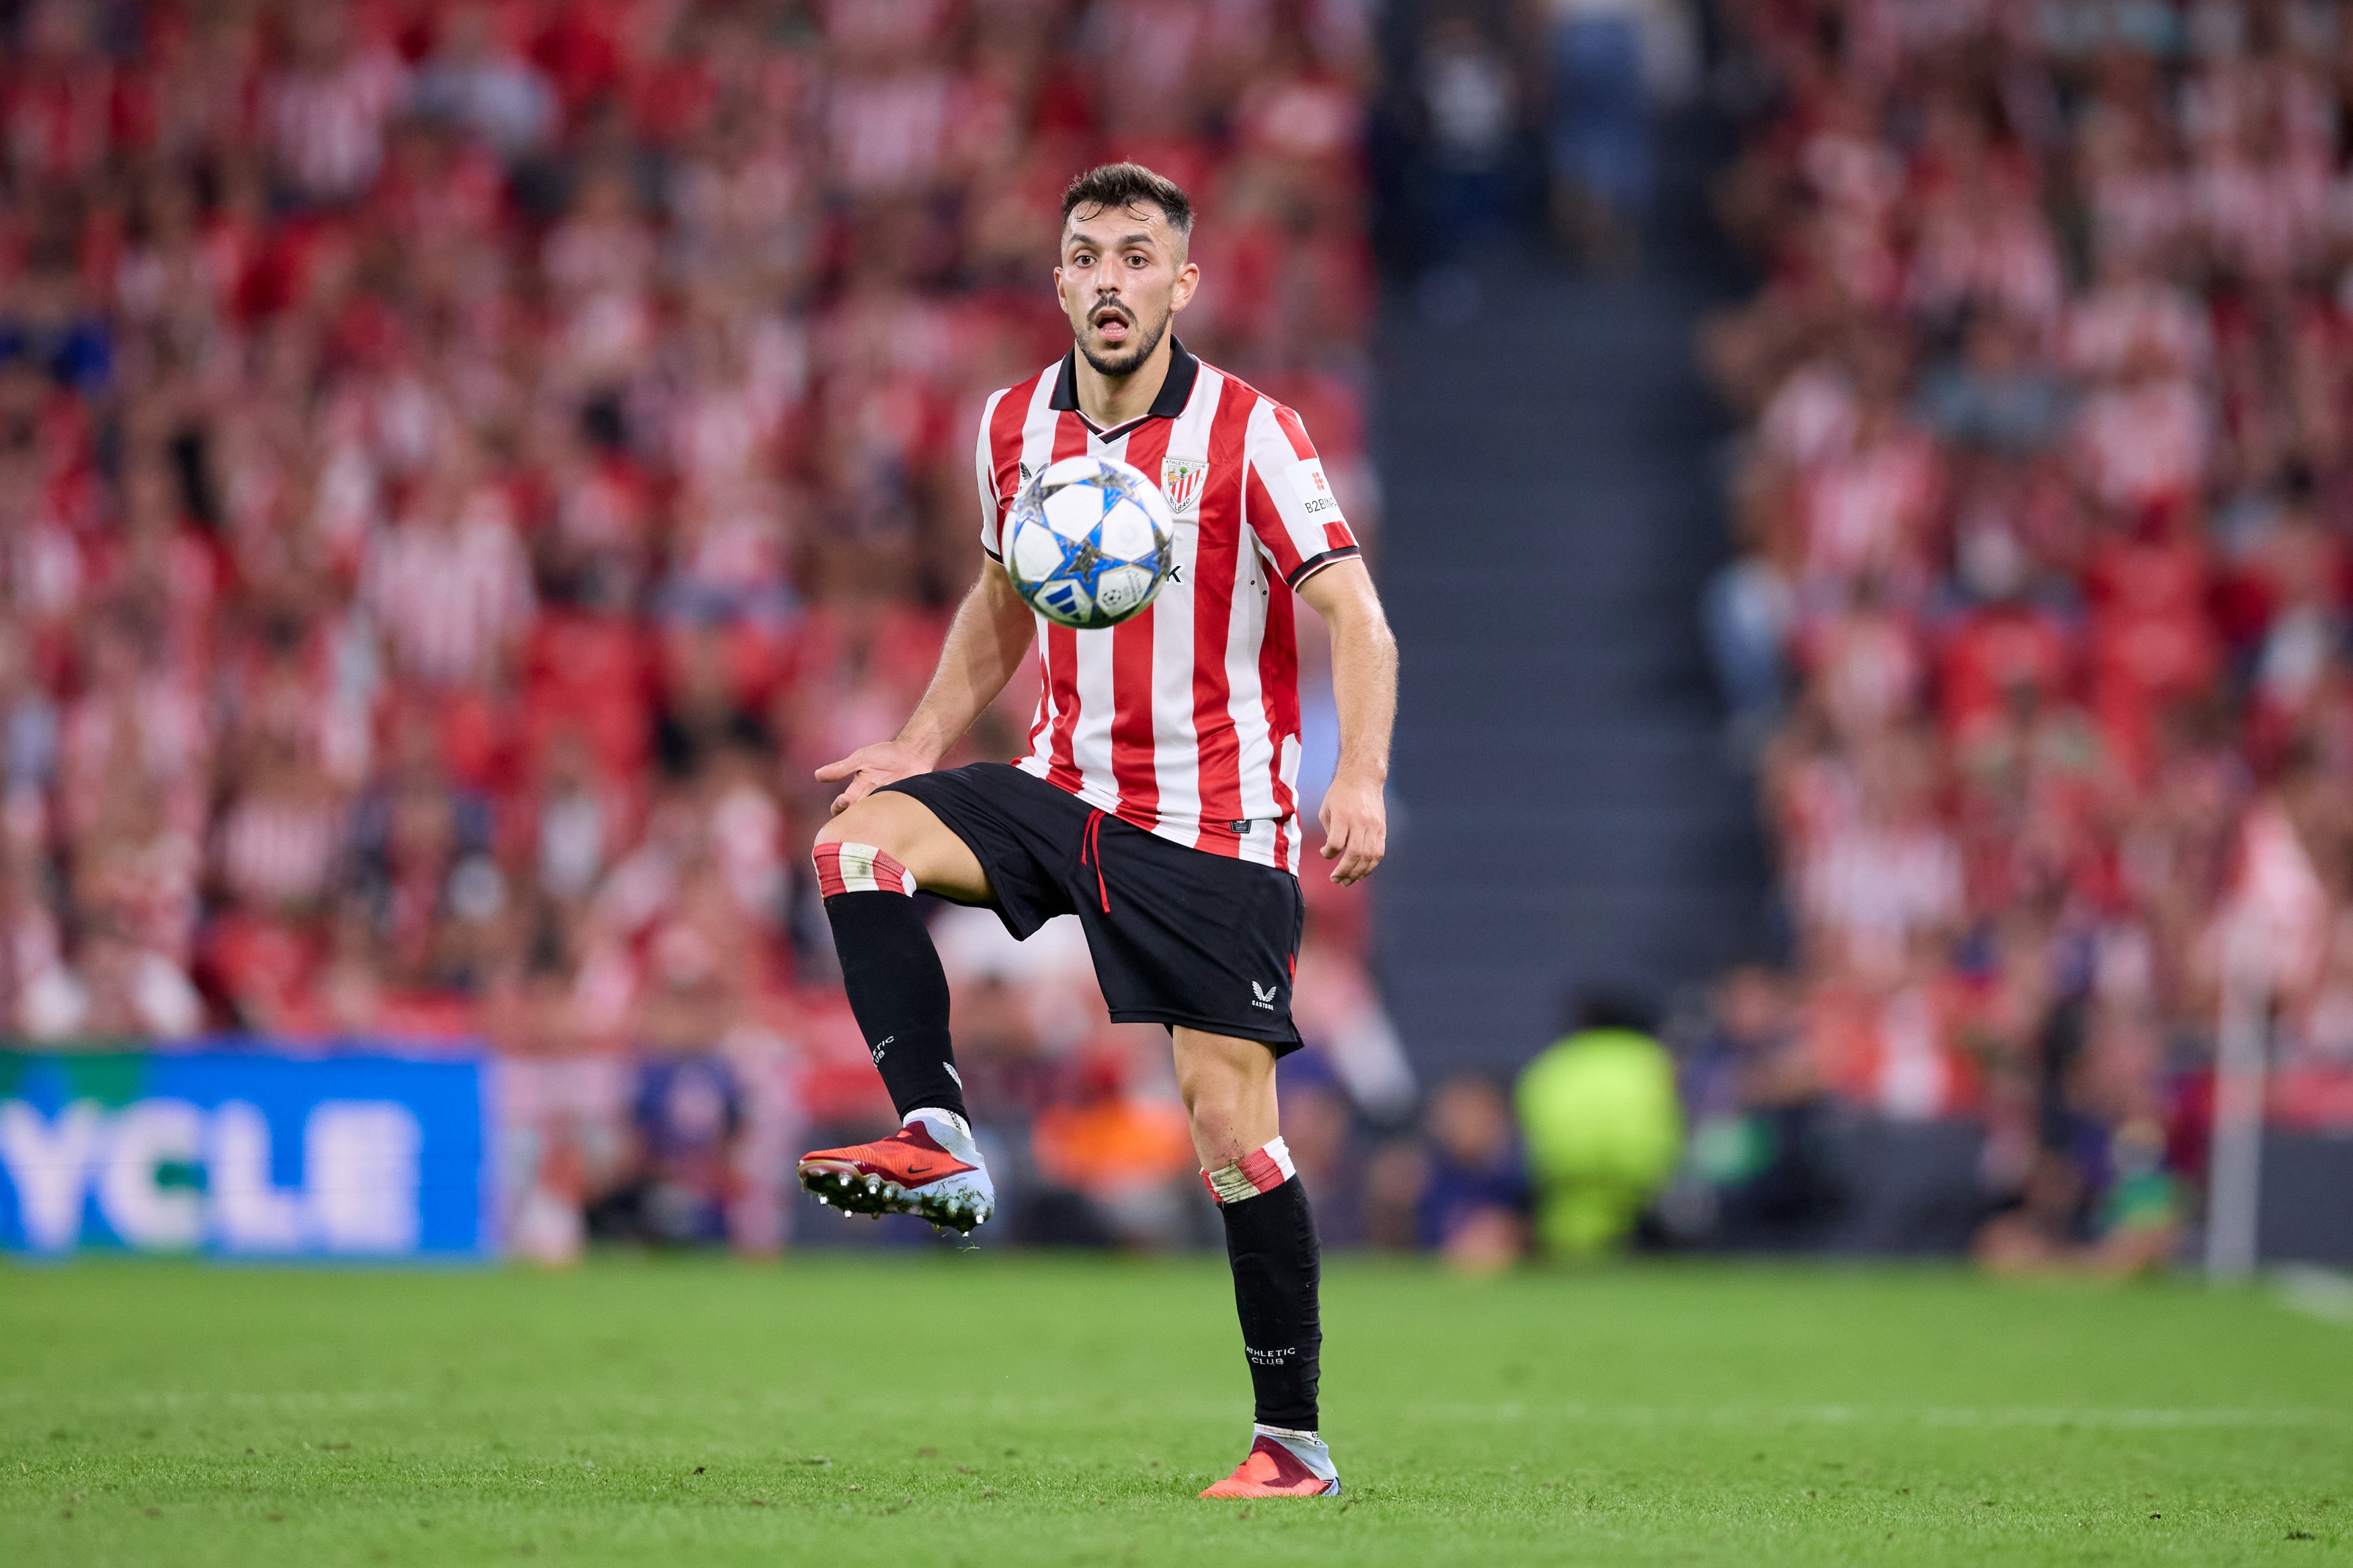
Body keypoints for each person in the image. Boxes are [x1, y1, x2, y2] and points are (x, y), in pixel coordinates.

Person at [792, 164, 1398, 1501]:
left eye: (1137, 255)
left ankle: (1290, 1443)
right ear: (1058, 280)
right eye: (1086, 255)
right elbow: (1006, 595)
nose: (1109, 278)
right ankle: (939, 1136)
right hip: (1061, 792)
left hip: (1214, 831)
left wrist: (1357, 776)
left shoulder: (1253, 431)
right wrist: (920, 740)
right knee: (857, 844)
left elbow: (1354, 614)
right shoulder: (1010, 425)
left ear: (1181, 285)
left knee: (1230, 1130)